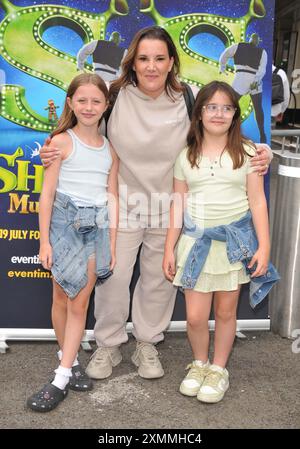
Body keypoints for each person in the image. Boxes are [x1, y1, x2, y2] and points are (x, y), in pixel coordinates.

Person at [39, 26, 272, 382]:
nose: (151, 66)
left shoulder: (188, 97)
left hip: (171, 209)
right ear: (132, 62)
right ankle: (108, 344)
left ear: (171, 62)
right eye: (143, 58)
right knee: (113, 278)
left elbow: (218, 133)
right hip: (121, 207)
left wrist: (261, 151)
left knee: (158, 281)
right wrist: (53, 147)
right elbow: (83, 130)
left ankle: (147, 342)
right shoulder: (114, 96)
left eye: (159, 59)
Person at [163, 81, 279, 403]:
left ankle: (218, 368)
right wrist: (168, 246)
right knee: (196, 317)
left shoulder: (249, 153)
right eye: (211, 107)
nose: (219, 113)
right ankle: (199, 363)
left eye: (226, 108)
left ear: (234, 115)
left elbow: (257, 202)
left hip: (234, 244)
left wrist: (264, 247)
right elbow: (177, 204)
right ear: (199, 113)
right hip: (195, 245)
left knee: (226, 313)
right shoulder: (185, 156)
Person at [27, 73, 119, 412]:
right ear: (70, 103)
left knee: (79, 303)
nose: (89, 107)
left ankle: (60, 378)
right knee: (61, 298)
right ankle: (69, 356)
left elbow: (112, 197)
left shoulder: (111, 150)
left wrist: (110, 240)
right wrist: (43, 242)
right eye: (82, 100)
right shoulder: (61, 142)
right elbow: (47, 194)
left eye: (96, 101)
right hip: (63, 225)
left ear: (106, 105)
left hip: (96, 229)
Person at [219, 33, 267, 143]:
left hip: (241, 79)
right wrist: (256, 81)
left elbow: (225, 54)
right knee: (255, 108)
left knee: (231, 106)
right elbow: (262, 69)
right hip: (252, 79)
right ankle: (262, 134)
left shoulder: (238, 46)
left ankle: (228, 131)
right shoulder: (262, 52)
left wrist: (223, 66)